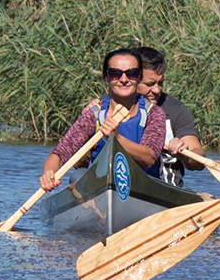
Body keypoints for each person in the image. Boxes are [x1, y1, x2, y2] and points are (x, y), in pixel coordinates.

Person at [39, 48, 166, 191]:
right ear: (106, 78)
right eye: (115, 74)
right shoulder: (94, 115)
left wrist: (116, 138)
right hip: (101, 186)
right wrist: (48, 173)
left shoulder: (154, 114)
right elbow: (61, 153)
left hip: (142, 186)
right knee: (78, 176)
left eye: (132, 74)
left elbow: (149, 158)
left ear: (139, 77)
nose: (123, 80)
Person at [135, 47, 205, 187]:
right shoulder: (109, 106)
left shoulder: (175, 109)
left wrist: (183, 153)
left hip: (166, 192)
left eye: (160, 83)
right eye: (149, 84)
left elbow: (198, 158)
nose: (157, 90)